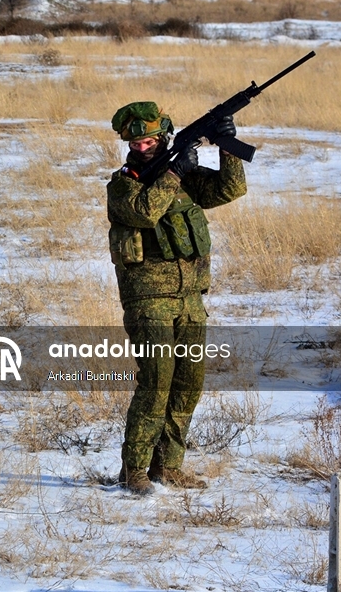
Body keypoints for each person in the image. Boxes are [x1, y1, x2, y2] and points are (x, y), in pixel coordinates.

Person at [106, 101, 246, 495]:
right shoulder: (124, 184)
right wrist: (173, 172)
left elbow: (231, 188)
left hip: (189, 298)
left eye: (150, 139)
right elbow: (144, 212)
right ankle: (133, 470)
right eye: (136, 142)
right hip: (148, 299)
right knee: (156, 381)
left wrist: (227, 145)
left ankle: (168, 466)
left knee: (188, 382)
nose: (143, 145)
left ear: (163, 135)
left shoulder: (181, 177)